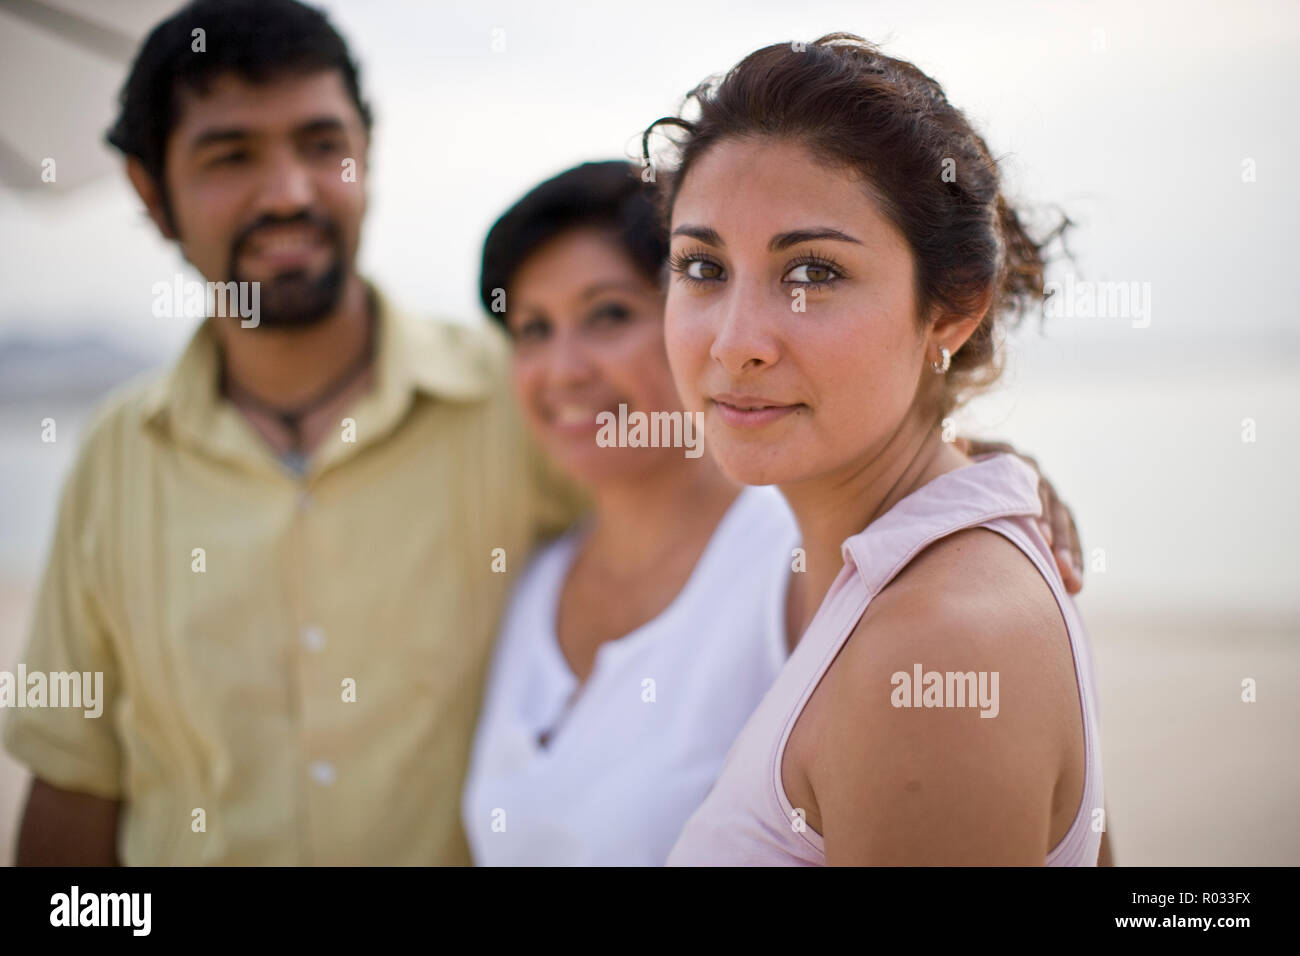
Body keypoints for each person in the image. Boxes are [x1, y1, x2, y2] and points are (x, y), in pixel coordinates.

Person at [3, 0, 583, 865]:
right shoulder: (117, 455)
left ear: (368, 157)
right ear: (151, 194)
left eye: (322, 146)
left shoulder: (524, 403)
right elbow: (75, 774)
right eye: (230, 155)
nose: (289, 193)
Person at [461, 160, 1090, 865]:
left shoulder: (806, 556)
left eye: (608, 314)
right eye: (532, 329)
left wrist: (981, 492)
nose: (563, 369)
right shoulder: (534, 574)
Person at [657, 34, 1107, 865]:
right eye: (703, 266)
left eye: (814, 272)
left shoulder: (938, 651)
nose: (735, 343)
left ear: (952, 311)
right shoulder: (893, 575)